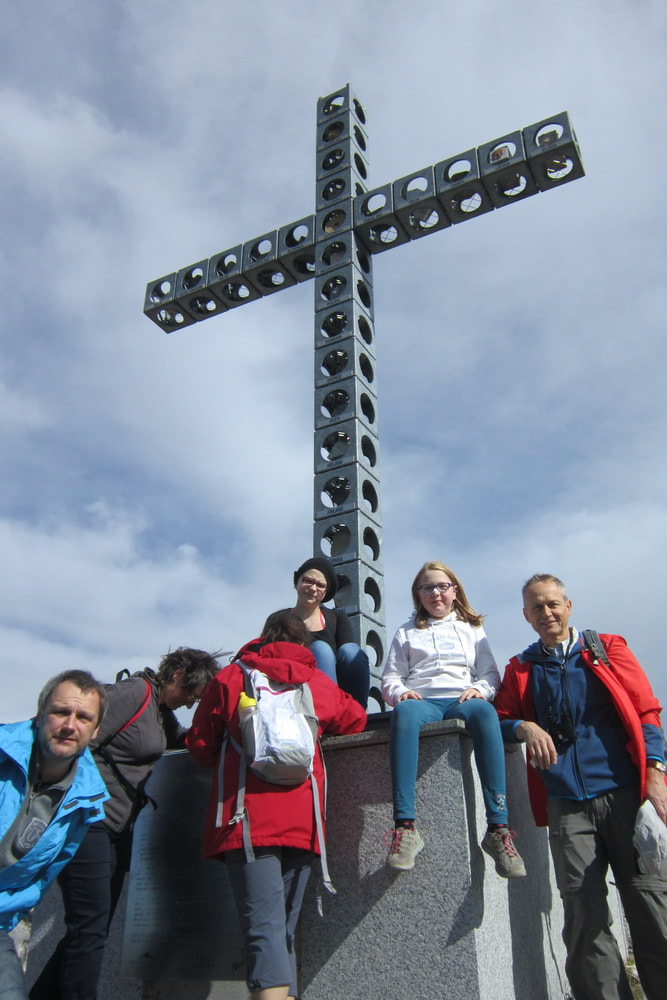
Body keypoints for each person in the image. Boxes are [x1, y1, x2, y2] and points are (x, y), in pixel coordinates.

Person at [494, 573, 667, 1000]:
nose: (546, 613)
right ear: (526, 616)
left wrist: (656, 775)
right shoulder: (520, 668)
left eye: (553, 604)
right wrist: (524, 726)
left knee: (651, 906)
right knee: (584, 917)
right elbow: (500, 718)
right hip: (566, 803)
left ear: (568, 606)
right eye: (536, 607)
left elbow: (646, 711)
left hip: (625, 793)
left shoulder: (607, 648)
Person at [186, 609, 366, 1000]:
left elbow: (200, 745)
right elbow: (355, 718)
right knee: (281, 931)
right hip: (303, 821)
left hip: (247, 818)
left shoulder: (232, 677)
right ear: (304, 643)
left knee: (264, 931)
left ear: (264, 636)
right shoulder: (315, 680)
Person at [30, 647, 220, 1000]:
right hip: (90, 820)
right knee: (89, 928)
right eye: (192, 693)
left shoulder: (160, 714)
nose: (191, 702)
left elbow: (181, 741)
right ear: (177, 675)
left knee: (92, 928)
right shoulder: (134, 693)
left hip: (117, 831)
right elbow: (83, 742)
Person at [381, 560, 526, 877]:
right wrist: (401, 693)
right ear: (418, 594)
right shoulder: (406, 632)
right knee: (403, 713)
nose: (435, 593)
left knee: (485, 712)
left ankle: (498, 828)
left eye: (442, 586)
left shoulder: (472, 628)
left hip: (461, 698)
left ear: (454, 591)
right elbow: (391, 678)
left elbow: (490, 674)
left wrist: (479, 689)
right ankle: (405, 826)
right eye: (427, 588)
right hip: (423, 701)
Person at [1, 670, 109, 1000]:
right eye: (61, 712)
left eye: (83, 717)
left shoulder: (86, 804)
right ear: (40, 716)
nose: (69, 725)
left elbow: (41, 879)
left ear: (95, 731)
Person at [292, 556, 369, 708]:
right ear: (297, 582)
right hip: (295, 687)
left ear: (326, 592)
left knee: (350, 650)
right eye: (308, 581)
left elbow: (349, 659)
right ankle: (324, 710)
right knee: (320, 649)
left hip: (333, 691)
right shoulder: (280, 619)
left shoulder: (336, 618)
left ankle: (354, 711)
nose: (313, 588)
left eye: (320, 585)